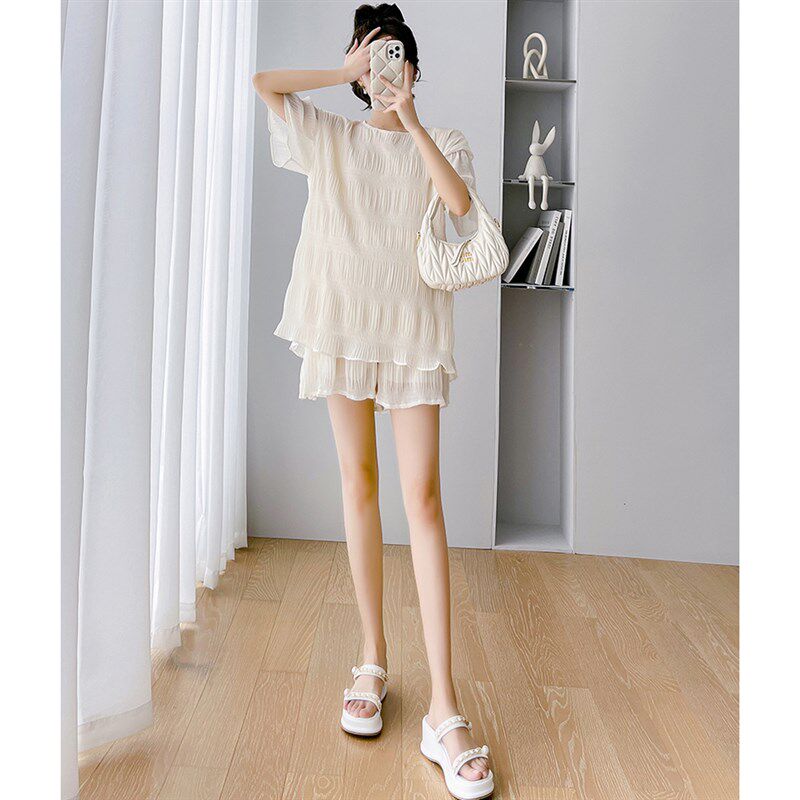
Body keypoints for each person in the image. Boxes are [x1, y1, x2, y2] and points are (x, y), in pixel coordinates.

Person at [252, 4, 493, 798]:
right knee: (358, 486)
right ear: (360, 69)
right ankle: (372, 659)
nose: (385, 68)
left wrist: (411, 119)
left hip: (412, 332)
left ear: (414, 68)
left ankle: (444, 707)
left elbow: (459, 209)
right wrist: (343, 71)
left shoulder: (441, 139)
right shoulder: (332, 137)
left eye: (396, 55)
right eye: (373, 56)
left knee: (422, 499)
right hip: (343, 326)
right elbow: (264, 83)